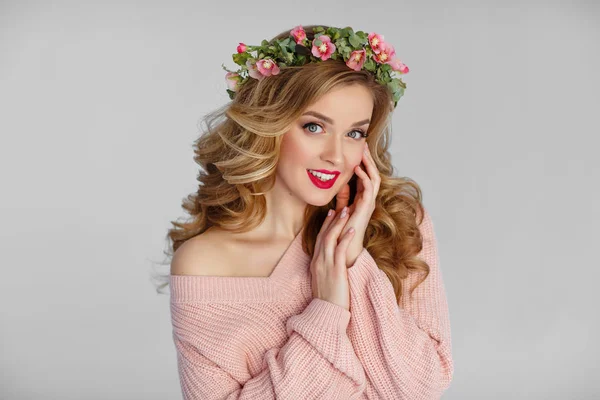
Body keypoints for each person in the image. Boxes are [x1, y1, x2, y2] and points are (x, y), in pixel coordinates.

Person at [166, 24, 453, 399]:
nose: (335, 156)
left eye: (354, 133)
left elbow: (421, 388)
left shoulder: (399, 223)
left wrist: (353, 262)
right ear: (269, 125)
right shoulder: (204, 264)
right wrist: (327, 310)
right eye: (314, 126)